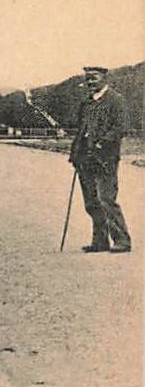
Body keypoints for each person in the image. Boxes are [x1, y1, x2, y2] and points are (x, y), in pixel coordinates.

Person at [70, 66, 131, 253]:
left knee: (106, 198)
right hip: (85, 158)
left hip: (105, 158)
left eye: (94, 77)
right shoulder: (86, 103)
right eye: (87, 78)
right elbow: (81, 129)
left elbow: (121, 127)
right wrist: (75, 153)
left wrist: (101, 144)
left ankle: (122, 240)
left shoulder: (116, 100)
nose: (90, 82)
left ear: (104, 78)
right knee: (91, 201)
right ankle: (100, 241)